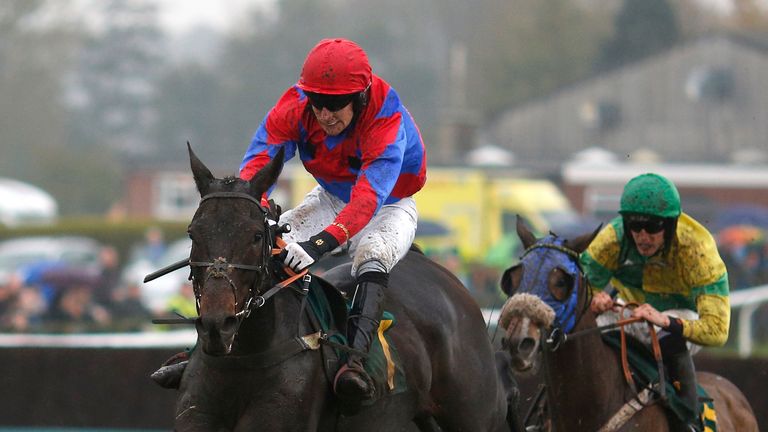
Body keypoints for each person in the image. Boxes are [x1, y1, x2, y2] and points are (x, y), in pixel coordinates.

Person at [152, 38, 427, 404]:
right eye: (318, 103)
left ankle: (355, 363)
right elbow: (257, 169)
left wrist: (319, 245)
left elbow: (367, 200)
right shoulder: (294, 107)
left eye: (335, 105)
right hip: (330, 198)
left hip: (389, 204)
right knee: (258, 246)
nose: (325, 115)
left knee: (371, 256)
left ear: (360, 98)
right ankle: (199, 353)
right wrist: (253, 211)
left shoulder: (386, 119)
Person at [580, 173, 730, 430]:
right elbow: (578, 292)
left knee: (663, 333)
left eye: (652, 227)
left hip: (680, 318)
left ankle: (687, 416)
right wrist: (594, 299)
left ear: (670, 225)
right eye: (635, 227)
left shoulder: (698, 249)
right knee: (584, 328)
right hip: (628, 310)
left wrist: (665, 320)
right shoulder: (612, 239)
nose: (643, 236)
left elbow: (717, 331)